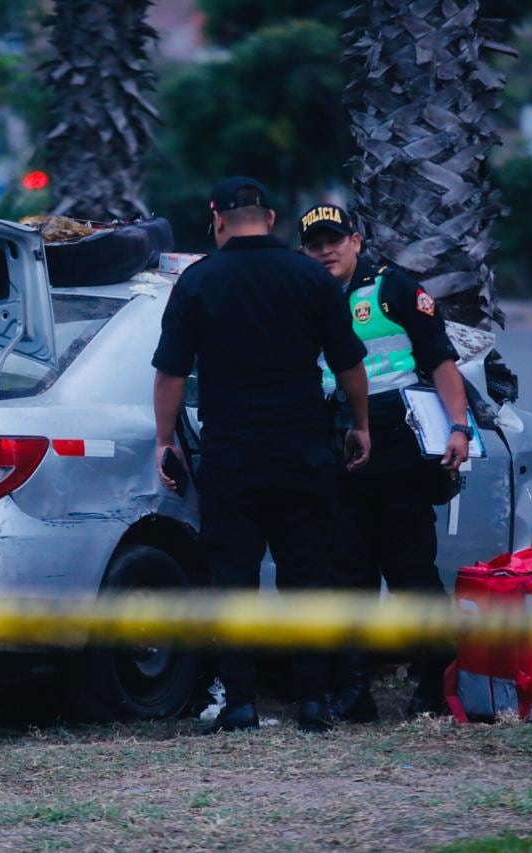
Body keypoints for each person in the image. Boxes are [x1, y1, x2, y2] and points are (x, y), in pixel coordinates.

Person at [151, 177, 372, 734]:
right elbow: (349, 363)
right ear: (269, 218)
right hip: (302, 451)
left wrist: (165, 439)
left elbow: (171, 371)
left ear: (217, 220)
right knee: (307, 576)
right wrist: (361, 425)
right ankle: (314, 701)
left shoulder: (198, 281)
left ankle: (241, 702)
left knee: (233, 578)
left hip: (232, 455)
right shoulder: (308, 276)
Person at [298, 203, 470, 720]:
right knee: (347, 571)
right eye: (314, 244)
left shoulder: (393, 289)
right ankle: (355, 692)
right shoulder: (309, 296)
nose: (325, 251)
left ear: (355, 240)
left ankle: (438, 684)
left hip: (398, 447)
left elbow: (440, 362)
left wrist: (458, 427)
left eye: (334, 240)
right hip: (341, 446)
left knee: (410, 570)